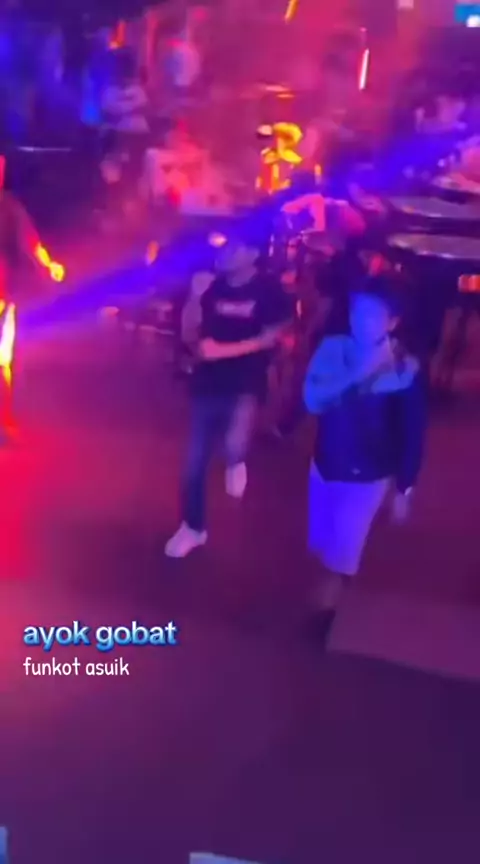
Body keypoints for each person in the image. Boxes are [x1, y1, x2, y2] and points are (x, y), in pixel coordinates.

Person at [303, 276, 425, 642]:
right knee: (321, 542)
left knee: (343, 550)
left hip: (368, 476)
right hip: (324, 465)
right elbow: (312, 395)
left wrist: (404, 487)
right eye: (358, 311)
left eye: (373, 314)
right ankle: (329, 593)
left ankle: (327, 615)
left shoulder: (403, 369)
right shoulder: (334, 350)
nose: (362, 320)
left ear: (392, 322)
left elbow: (412, 432)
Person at [165, 237, 292, 558]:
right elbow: (189, 334)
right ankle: (193, 527)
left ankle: (236, 461)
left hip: (246, 380)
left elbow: (273, 337)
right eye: (224, 247)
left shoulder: (269, 290)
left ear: (253, 253)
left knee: (235, 442)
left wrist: (224, 351)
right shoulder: (211, 286)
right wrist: (194, 297)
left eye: (234, 247)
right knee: (194, 461)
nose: (225, 253)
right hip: (208, 382)